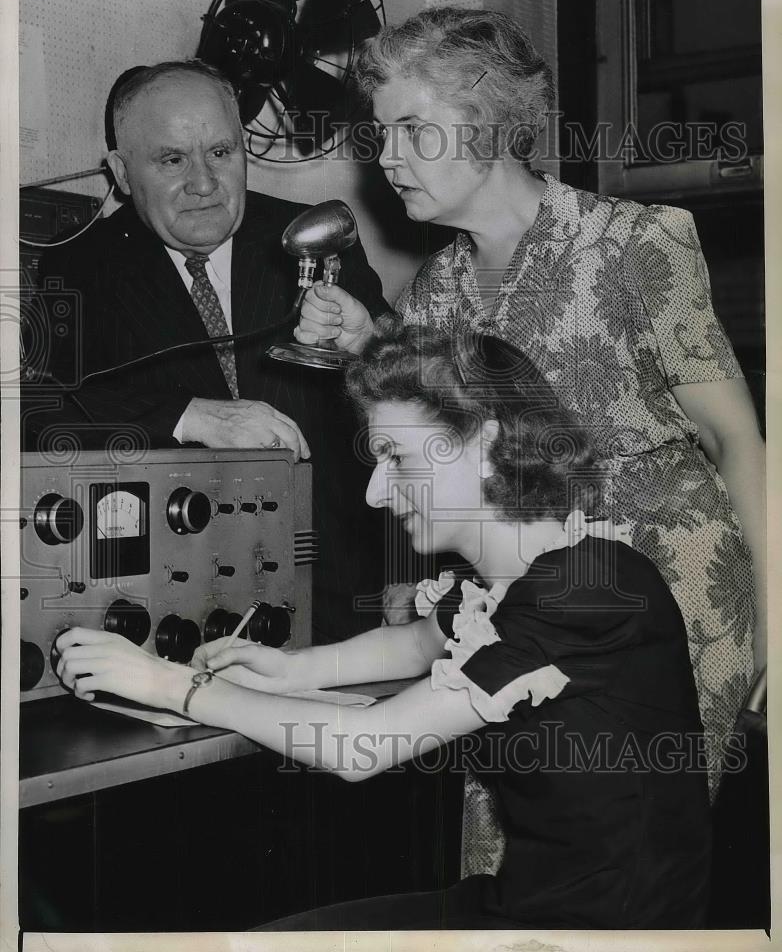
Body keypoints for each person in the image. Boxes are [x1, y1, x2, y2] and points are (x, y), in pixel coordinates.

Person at [55, 321, 712, 930]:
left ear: (482, 444)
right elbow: (414, 643)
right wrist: (293, 668)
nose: (375, 492)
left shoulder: (589, 588)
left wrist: (171, 685)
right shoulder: (513, 587)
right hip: (528, 909)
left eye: (397, 457)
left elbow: (360, 747)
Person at [292, 9, 766, 815]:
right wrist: (363, 340)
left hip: (675, 604)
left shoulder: (635, 243)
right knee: (513, 855)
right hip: (519, 608)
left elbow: (737, 439)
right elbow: (433, 456)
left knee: (620, 873)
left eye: (412, 128)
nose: (388, 158)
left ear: (487, 121)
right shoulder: (433, 291)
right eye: (382, 133)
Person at [23, 59, 391, 642]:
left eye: (221, 153)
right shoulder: (80, 268)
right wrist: (189, 416)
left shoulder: (314, 236)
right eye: (172, 160)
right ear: (121, 172)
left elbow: (409, 396)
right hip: (179, 615)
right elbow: (39, 412)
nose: (203, 182)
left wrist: (371, 342)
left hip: (343, 603)